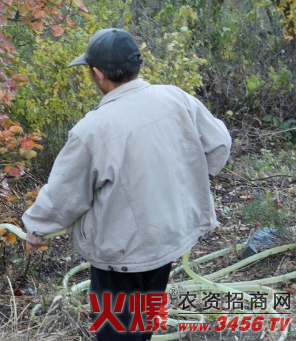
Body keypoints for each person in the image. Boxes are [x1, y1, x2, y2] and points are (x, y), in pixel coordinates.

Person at [22, 28, 232, 340]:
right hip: (168, 239)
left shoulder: (92, 130)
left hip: (121, 258)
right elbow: (219, 144)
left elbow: (64, 196)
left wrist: (36, 228)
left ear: (97, 73)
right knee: (144, 320)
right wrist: (190, 179)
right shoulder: (176, 98)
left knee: (118, 332)